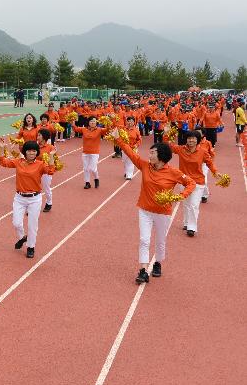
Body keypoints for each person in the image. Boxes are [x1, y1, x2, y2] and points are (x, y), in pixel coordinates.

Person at [113, 134, 196, 284]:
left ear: (161, 156)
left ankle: (158, 262)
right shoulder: (145, 166)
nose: (149, 155)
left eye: (152, 153)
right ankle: (143, 270)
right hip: (144, 210)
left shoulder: (174, 173)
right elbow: (131, 153)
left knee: (160, 240)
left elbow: (191, 183)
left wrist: (180, 196)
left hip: (163, 213)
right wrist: (118, 139)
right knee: (144, 240)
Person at [0, 139, 56, 258]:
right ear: (25, 152)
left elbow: (51, 171)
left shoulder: (40, 164)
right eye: (29, 150)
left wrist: (51, 156)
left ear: (37, 152)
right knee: (16, 223)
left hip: (35, 198)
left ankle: (31, 247)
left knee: (32, 225)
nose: (32, 153)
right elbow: (3, 162)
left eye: (34, 151)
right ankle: (22, 237)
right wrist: (2, 148)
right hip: (19, 198)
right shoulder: (19, 162)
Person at [164, 129, 218, 237]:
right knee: (186, 204)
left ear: (197, 140)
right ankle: (186, 222)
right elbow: (168, 146)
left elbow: (210, 163)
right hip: (184, 182)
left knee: (194, 205)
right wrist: (166, 133)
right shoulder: (180, 149)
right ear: (186, 140)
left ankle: (191, 228)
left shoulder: (202, 151)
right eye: (189, 138)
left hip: (198, 182)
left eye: (193, 139)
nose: (191, 141)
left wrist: (215, 172)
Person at [80, 117, 107, 189]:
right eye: (91, 121)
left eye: (94, 121)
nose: (92, 122)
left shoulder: (99, 130)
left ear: (96, 123)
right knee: (86, 168)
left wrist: (108, 123)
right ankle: (87, 183)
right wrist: (72, 122)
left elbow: (108, 130)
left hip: (95, 152)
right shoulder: (84, 129)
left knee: (93, 168)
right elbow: (75, 128)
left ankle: (96, 178)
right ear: (88, 122)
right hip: (85, 152)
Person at [35, 129, 55, 212]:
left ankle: (49, 203)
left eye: (39, 135)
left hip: (46, 171)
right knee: (34, 189)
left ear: (44, 137)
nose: (37, 137)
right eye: (38, 135)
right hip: (35, 170)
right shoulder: (35, 146)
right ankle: (33, 207)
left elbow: (54, 160)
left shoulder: (51, 147)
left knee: (46, 188)